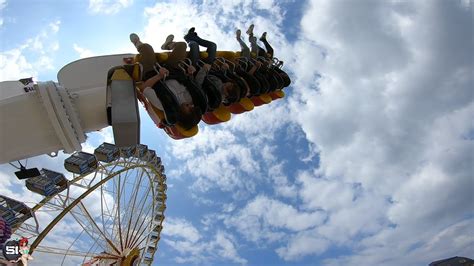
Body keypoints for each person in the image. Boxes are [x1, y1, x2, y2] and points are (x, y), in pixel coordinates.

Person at [130, 33, 202, 130]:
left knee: (147, 48)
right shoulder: (190, 99)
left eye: (189, 109)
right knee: (182, 45)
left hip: (153, 73)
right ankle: (167, 45)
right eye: (193, 107)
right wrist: (190, 73)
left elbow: (144, 88)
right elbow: (188, 82)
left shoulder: (163, 105)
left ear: (182, 114)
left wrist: (159, 76)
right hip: (173, 70)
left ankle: (137, 42)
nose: (191, 106)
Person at [182, 28, 241, 106]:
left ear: (226, 93)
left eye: (228, 86)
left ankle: (189, 39)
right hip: (208, 69)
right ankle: (192, 36)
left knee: (195, 46)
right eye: (230, 84)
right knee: (213, 46)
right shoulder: (224, 86)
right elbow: (219, 76)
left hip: (195, 71)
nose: (227, 83)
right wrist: (223, 69)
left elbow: (197, 86)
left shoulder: (214, 95)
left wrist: (204, 70)